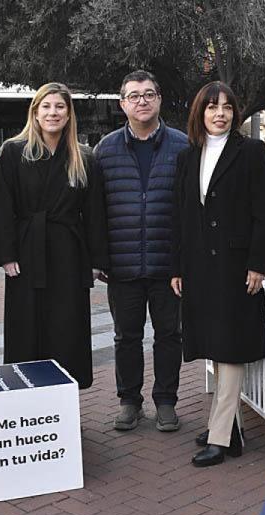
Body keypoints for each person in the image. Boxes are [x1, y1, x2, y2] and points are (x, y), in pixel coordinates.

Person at [171, 81, 265, 467]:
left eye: (227, 107)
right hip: (199, 266)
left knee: (230, 348)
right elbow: (181, 216)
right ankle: (229, 428)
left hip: (235, 267)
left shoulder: (251, 152)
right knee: (213, 345)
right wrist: (177, 267)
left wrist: (257, 265)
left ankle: (220, 435)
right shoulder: (188, 156)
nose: (220, 113)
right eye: (212, 107)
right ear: (200, 112)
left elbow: (263, 213)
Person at [0, 83, 107, 390]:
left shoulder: (84, 157)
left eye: (60, 107)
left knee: (67, 329)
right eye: (47, 106)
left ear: (69, 114)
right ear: (35, 112)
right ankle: (28, 404)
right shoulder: (14, 151)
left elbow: (94, 213)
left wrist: (96, 260)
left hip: (69, 253)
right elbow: (3, 205)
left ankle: (63, 407)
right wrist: (6, 254)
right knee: (27, 328)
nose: (53, 113)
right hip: (28, 252)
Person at [93, 70, 188, 432]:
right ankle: (129, 401)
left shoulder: (182, 146)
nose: (142, 101)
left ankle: (166, 401)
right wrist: (100, 259)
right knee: (126, 338)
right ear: (122, 104)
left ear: (159, 99)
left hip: (169, 265)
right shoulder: (106, 149)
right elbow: (97, 210)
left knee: (169, 337)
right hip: (123, 266)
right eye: (134, 96)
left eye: (148, 94)